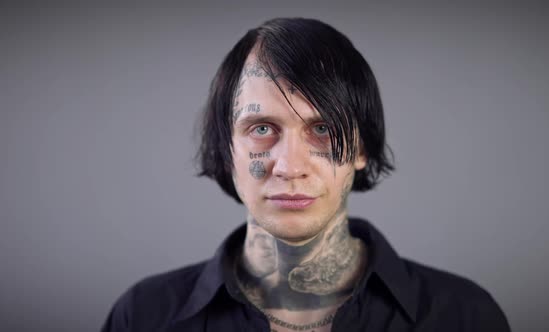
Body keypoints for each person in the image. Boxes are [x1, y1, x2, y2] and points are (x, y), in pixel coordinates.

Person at [102, 17, 511, 332]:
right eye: (261, 129)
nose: (290, 167)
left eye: (323, 129)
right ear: (227, 151)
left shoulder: (463, 315)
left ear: (362, 148)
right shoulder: (144, 316)